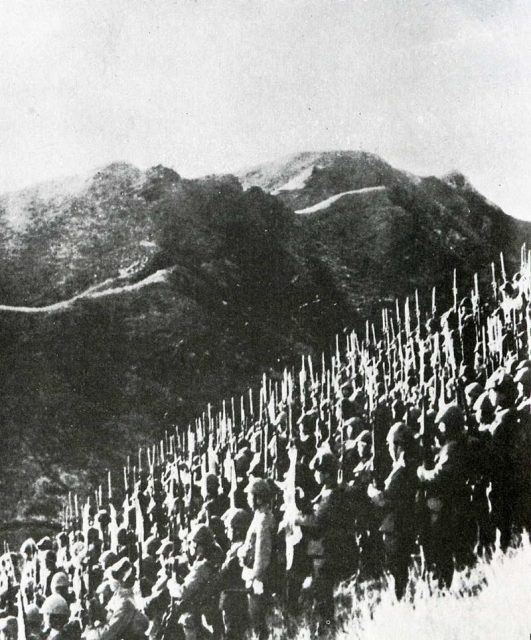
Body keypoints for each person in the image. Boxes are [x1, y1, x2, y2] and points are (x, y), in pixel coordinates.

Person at [417, 404, 469, 587]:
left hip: (448, 506)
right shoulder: (456, 445)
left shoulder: (452, 448)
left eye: (442, 425)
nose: (439, 429)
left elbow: (440, 476)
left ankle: (443, 585)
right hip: (453, 503)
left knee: (441, 549)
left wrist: (423, 473)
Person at [368, 422, 417, 599]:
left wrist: (371, 490)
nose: (389, 449)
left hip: (397, 524)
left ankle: (402, 601)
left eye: (391, 444)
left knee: (398, 568)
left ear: (398, 445)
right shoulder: (409, 464)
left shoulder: (402, 468)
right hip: (405, 522)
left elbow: (384, 499)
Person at [239, 479, 276, 640]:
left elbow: (262, 555)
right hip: (255, 575)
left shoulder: (263, 521)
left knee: (259, 622)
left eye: (250, 496)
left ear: (259, 498)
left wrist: (255, 578)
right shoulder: (260, 517)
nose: (248, 499)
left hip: (259, 579)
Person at [82, 559, 148, 640]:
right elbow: (110, 615)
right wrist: (97, 609)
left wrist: (90, 630)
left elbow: (109, 633)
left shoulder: (125, 602)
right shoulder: (118, 596)